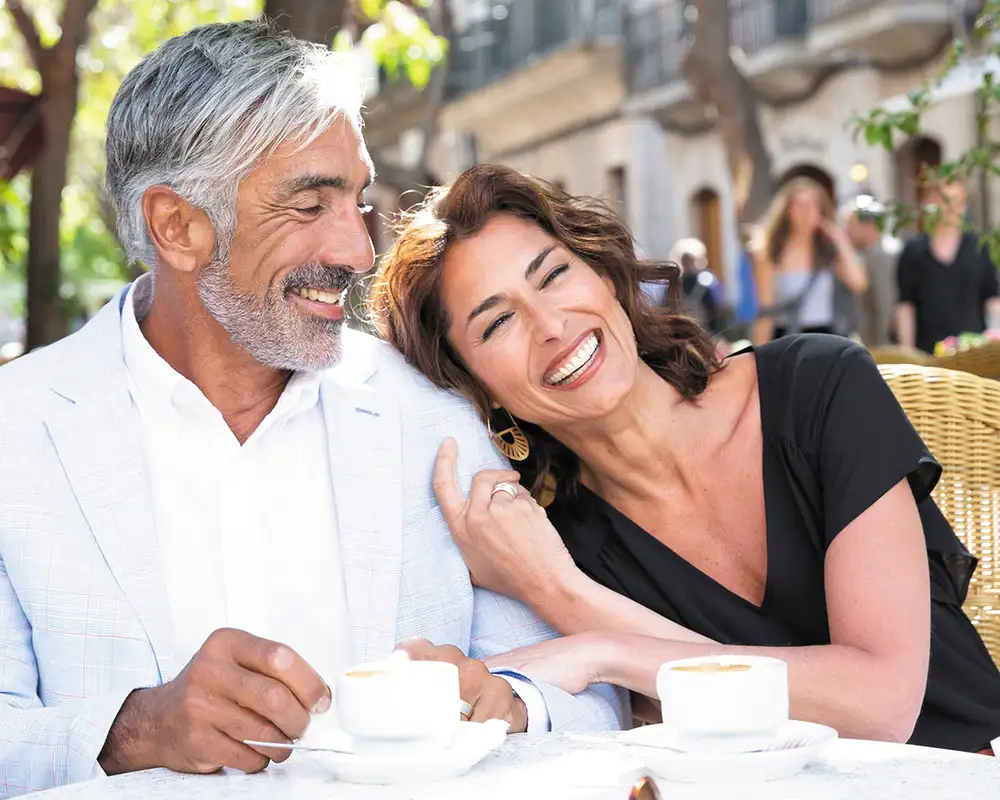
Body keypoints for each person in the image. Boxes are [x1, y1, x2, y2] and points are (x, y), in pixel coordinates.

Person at [0, 23, 624, 797]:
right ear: (178, 227)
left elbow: (594, 699)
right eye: (310, 205)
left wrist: (509, 705)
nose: (360, 251)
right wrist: (134, 730)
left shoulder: (429, 418)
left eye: (356, 200)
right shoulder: (15, 433)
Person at [370, 163, 1000, 755]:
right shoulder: (558, 538)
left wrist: (579, 617)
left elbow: (879, 706)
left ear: (604, 273)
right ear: (473, 386)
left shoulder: (820, 387)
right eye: (497, 322)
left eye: (554, 274)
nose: (551, 325)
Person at [752, 177, 868, 344]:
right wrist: (758, 357)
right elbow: (765, 312)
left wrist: (839, 239)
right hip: (787, 340)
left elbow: (858, 283)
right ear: (787, 210)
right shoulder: (771, 253)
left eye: (812, 205)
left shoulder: (828, 253)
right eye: (799, 205)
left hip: (827, 338)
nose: (806, 212)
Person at [896, 180, 1000, 354]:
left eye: (958, 201)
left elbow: (993, 300)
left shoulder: (980, 248)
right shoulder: (913, 252)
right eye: (945, 200)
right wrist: (907, 353)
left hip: (973, 351)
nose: (951, 208)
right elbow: (906, 307)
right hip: (929, 354)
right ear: (931, 203)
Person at [842, 195, 902, 347]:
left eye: (850, 224)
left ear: (868, 225)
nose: (846, 231)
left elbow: (887, 307)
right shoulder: (872, 254)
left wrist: (886, 349)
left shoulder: (882, 254)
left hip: (887, 349)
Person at [667, 238, 724, 335]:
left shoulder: (705, 282)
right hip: (693, 331)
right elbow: (715, 310)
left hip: (691, 332)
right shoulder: (675, 285)